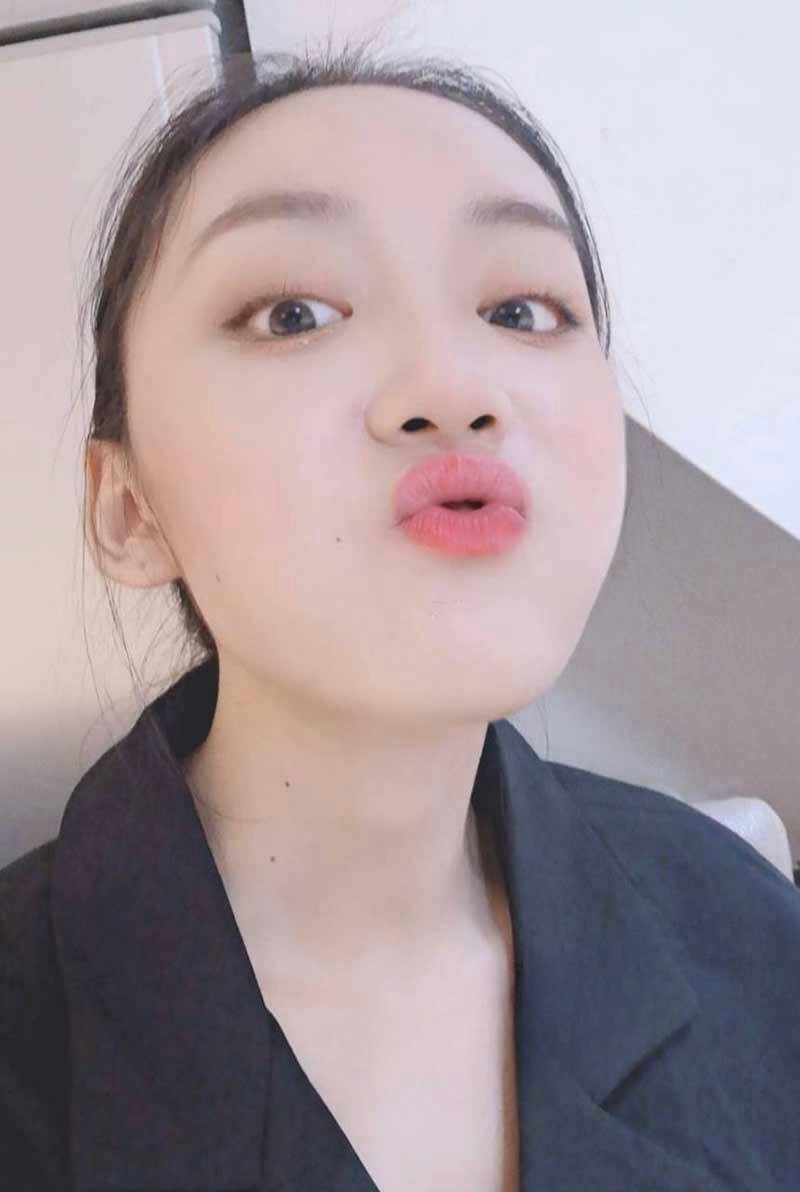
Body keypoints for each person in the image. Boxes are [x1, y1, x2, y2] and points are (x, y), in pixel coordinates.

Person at [2, 37, 799, 1192]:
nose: (454, 387)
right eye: (291, 313)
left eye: (520, 308)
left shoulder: (738, 924)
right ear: (129, 510)